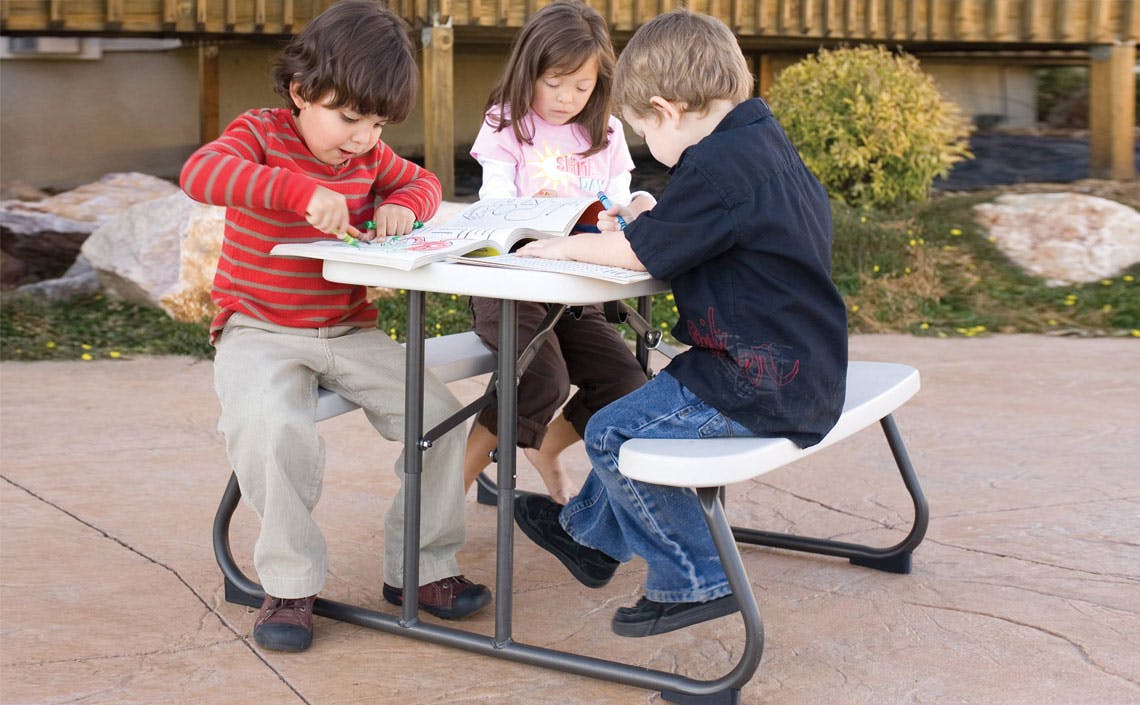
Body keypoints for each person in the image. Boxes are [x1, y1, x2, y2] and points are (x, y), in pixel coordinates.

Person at [512, 9, 849, 637]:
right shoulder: (756, 141)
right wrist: (648, 221)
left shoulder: (716, 169)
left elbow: (641, 254)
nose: (648, 148)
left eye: (642, 131)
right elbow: (693, 229)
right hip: (796, 365)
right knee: (642, 410)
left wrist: (560, 245)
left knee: (613, 431)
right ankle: (589, 540)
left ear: (666, 110)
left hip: (760, 379)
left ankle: (695, 581)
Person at [179, 0, 490, 653]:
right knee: (270, 424)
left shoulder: (369, 159)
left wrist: (404, 205)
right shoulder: (260, 133)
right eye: (349, 118)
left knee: (442, 418)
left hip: (347, 329)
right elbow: (199, 173)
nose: (361, 138)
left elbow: (425, 183)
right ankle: (290, 585)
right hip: (258, 328)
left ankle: (420, 568)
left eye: (376, 123)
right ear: (300, 90)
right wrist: (293, 190)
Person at [464, 0, 656, 505]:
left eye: (582, 86)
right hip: (511, 287)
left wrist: (635, 205)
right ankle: (443, 497)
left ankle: (545, 448)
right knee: (542, 380)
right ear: (529, 70)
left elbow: (616, 198)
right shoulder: (507, 123)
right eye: (553, 81)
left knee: (625, 382)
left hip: (576, 293)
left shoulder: (606, 132)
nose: (566, 97)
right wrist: (535, 210)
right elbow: (494, 205)